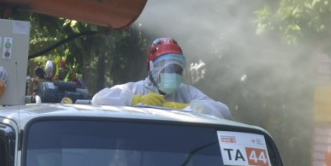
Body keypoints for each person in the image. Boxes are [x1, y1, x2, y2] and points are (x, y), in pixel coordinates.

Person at [91, 38, 231, 118]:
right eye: (168, 69)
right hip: (130, 165)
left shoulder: (186, 93)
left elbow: (225, 112)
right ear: (152, 67)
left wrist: (189, 107)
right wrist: (134, 100)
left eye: (178, 70)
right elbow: (98, 99)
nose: (174, 74)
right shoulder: (136, 90)